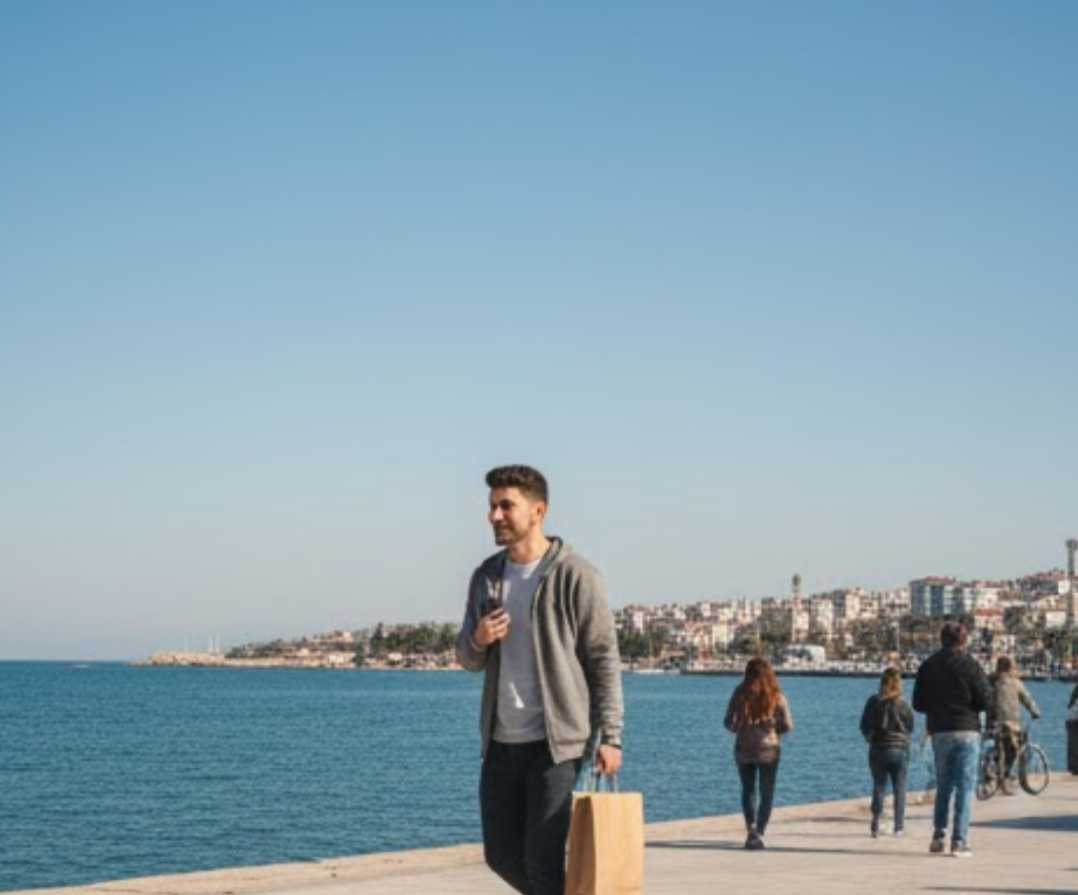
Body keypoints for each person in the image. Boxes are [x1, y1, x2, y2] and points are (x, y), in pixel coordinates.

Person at [456, 465, 624, 895]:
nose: (494, 516)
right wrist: (478, 639)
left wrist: (611, 736)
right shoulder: (486, 577)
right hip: (499, 744)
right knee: (500, 856)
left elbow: (602, 658)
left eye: (505, 506)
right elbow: (467, 658)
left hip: (557, 746)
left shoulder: (576, 575)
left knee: (543, 863)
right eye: (491, 507)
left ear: (538, 511)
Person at [912, 621, 992, 858]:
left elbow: (918, 703)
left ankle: (938, 834)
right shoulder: (971, 666)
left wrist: (937, 707)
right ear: (964, 641)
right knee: (965, 787)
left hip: (940, 730)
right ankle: (959, 841)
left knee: (944, 784)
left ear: (941, 639)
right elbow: (986, 700)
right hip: (967, 729)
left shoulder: (928, 666)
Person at [724, 657, 793, 850]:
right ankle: (760, 833)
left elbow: (728, 721)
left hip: (744, 748)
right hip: (769, 750)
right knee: (767, 792)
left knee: (748, 790)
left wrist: (740, 728)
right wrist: (774, 730)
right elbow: (787, 724)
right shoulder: (776, 695)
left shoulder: (739, 693)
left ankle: (751, 829)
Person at [860, 667, 915, 837]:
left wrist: (869, 737)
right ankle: (898, 827)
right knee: (900, 788)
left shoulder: (873, 702)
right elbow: (910, 726)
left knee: (879, 786)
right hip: (899, 749)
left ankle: (875, 822)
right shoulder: (903, 704)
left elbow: (863, 725)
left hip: (878, 748)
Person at [987, 656, 1040, 786]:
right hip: (1011, 723)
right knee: (1015, 747)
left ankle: (992, 770)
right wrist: (1035, 712)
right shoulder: (1015, 682)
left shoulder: (989, 681)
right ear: (1010, 668)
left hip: (992, 722)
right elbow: (1027, 700)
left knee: (999, 744)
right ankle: (1005, 774)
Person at [1066, 682, 1078, 775]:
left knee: (1073, 744)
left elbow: (1069, 705)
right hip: (1074, 718)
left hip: (1071, 718)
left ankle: (1073, 768)